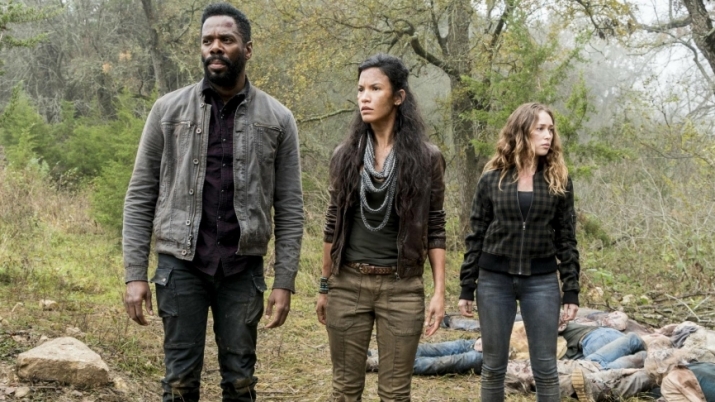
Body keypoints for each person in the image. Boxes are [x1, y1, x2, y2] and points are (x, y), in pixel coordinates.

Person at [122, 3, 304, 401]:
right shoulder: (167, 111)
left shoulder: (278, 119)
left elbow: (290, 207)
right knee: (179, 381)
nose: (215, 47)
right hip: (180, 265)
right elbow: (140, 195)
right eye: (207, 41)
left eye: (226, 39)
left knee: (240, 381)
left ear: (247, 49)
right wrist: (135, 274)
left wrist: (284, 281)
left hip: (242, 268)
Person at [314, 53, 447, 401]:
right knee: (345, 390)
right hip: (348, 284)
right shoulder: (345, 155)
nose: (365, 97)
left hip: (402, 288)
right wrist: (325, 286)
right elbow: (332, 223)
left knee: (395, 394)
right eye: (360, 89)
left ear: (398, 97)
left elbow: (435, 225)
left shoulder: (427, 158)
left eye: (375, 88)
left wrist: (438, 291)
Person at [458, 102, 581, 402]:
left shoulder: (559, 180)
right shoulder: (492, 179)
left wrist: (571, 290)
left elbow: (566, 238)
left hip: (541, 281)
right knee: (493, 367)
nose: (548, 135)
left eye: (550, 129)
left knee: (546, 369)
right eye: (540, 129)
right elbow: (476, 235)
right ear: (521, 132)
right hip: (494, 280)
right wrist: (466, 286)